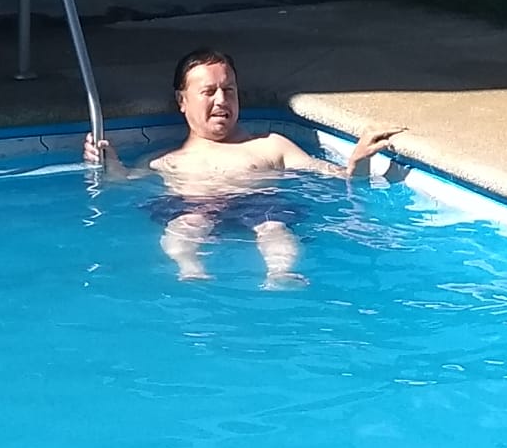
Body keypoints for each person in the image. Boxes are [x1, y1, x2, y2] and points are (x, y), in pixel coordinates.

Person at [84, 47, 405, 287]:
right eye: (208, 92)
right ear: (182, 101)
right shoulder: (163, 160)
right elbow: (125, 183)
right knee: (185, 225)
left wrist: (358, 161)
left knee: (274, 227)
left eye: (229, 90)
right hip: (192, 206)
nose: (221, 100)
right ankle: (191, 270)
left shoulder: (271, 146)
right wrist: (110, 166)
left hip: (259, 204)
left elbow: (338, 178)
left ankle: (280, 273)